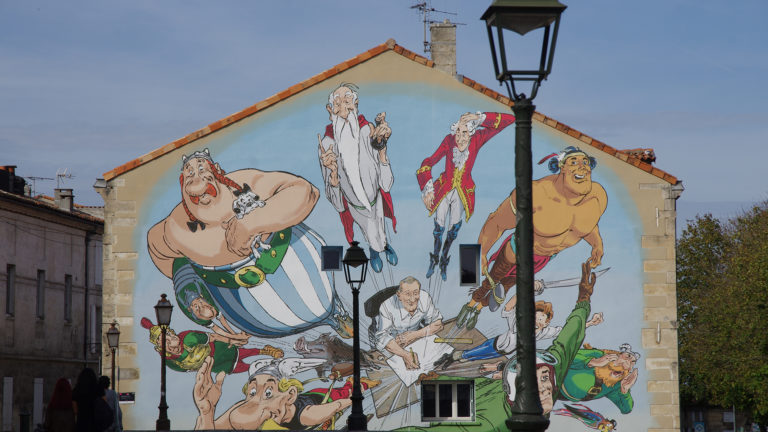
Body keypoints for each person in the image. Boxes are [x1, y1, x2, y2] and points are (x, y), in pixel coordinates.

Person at [147, 148, 353, 338]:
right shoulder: (173, 228)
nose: (196, 177)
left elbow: (306, 190)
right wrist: (190, 291)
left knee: (331, 249)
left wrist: (253, 222)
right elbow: (160, 251)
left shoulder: (246, 182)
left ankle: (336, 312)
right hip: (255, 320)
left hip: (309, 261)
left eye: (201, 169)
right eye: (189, 174)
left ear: (217, 170)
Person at [457, 146, 608, 330]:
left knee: (507, 285)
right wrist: (481, 254)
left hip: (543, 258)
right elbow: (496, 222)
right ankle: (470, 305)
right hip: (518, 249)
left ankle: (480, 307)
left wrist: (597, 245)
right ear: (561, 167)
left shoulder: (597, 196)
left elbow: (588, 223)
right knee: (492, 279)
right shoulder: (535, 193)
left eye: (585, 162)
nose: (582, 166)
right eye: (574, 162)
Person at [416, 111, 515, 280]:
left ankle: (444, 260)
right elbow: (429, 161)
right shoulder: (448, 141)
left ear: (471, 132)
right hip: (444, 189)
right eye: (458, 132)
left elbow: (509, 120)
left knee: (453, 229)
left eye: (464, 133)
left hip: (463, 192)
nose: (460, 137)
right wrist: (428, 189)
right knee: (439, 227)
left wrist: (479, 118)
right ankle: (434, 258)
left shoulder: (478, 139)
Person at [318, 83, 398, 273]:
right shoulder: (328, 144)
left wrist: (382, 147)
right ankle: (375, 251)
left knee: (380, 227)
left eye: (347, 101)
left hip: (375, 198)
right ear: (330, 110)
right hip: (356, 206)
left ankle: (384, 245)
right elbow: (337, 202)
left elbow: (386, 182)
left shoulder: (367, 130)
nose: (344, 109)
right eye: (338, 104)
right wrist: (333, 173)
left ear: (356, 104)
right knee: (367, 230)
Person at [192, 357, 381, 430]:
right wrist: (207, 412)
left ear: (289, 395)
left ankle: (362, 383)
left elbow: (339, 404)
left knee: (345, 392)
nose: (255, 399)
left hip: (320, 399)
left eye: (268, 392)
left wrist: (355, 398)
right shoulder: (247, 405)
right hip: (305, 400)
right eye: (252, 391)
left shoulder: (307, 416)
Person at [437, 293, 603, 369]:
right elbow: (509, 308)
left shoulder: (543, 332)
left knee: (473, 359)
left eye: (542, 320)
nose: (538, 323)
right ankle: (449, 358)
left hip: (502, 352)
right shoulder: (519, 325)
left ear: (546, 323)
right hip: (494, 345)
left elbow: (566, 330)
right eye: (536, 318)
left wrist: (590, 323)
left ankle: (455, 359)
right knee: (469, 355)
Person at [140, 317, 283, 374]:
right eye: (166, 338)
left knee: (245, 353)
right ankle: (271, 365)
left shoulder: (188, 338)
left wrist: (232, 341)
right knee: (246, 368)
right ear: (161, 345)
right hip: (215, 365)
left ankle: (266, 351)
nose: (172, 336)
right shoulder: (170, 362)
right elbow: (189, 370)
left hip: (219, 350)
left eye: (170, 333)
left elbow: (213, 337)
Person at [374, 276, 443, 370]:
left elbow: (438, 324)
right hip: (394, 346)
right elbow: (382, 338)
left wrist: (413, 335)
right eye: (407, 294)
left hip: (417, 340)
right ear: (399, 295)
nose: (412, 299)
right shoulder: (386, 306)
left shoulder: (424, 297)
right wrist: (405, 354)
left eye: (416, 293)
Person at [557, 343, 640, 414]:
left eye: (632, 362)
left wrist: (624, 391)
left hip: (561, 396)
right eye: (627, 356)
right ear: (617, 355)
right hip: (555, 378)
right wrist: (591, 362)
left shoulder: (617, 384)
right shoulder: (598, 355)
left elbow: (626, 409)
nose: (627, 364)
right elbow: (564, 355)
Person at [72, 368, 113, 432]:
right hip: (96, 423)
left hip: (82, 423)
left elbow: (75, 410)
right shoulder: (99, 389)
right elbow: (104, 404)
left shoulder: (76, 390)